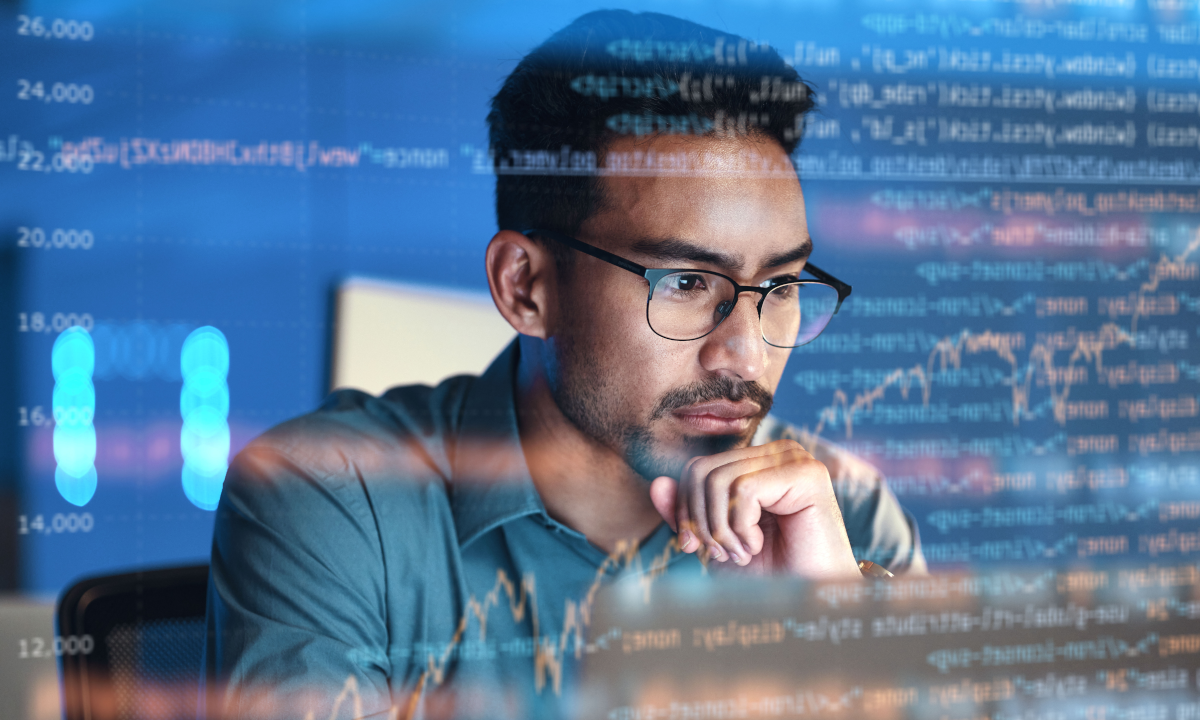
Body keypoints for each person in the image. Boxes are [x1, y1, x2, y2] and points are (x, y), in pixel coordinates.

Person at [202, 9, 925, 720]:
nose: (746, 351)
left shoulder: (842, 518)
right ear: (526, 286)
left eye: (780, 288)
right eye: (684, 283)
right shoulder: (332, 494)